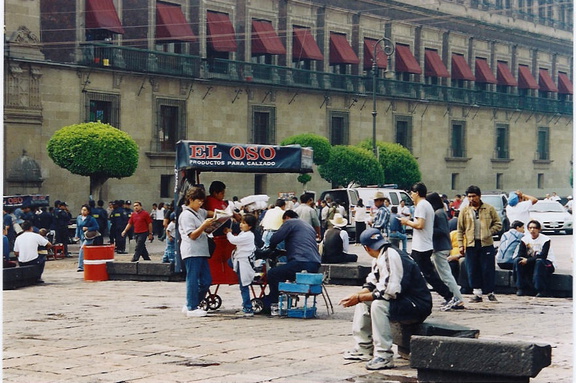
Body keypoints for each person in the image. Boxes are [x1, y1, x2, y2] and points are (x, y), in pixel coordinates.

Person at [340, 228, 432, 370]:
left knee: (378, 305)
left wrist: (358, 297)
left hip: (417, 305)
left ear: (366, 248)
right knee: (364, 302)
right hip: (403, 300)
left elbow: (389, 292)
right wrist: (356, 297)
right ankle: (363, 348)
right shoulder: (380, 256)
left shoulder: (391, 256)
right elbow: (371, 285)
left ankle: (384, 355)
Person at [400, 183, 454, 306]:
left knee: (428, 275)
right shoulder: (427, 205)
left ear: (417, 193)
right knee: (417, 272)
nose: (412, 196)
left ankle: (449, 295)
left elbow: (420, 225)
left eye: (412, 193)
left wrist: (406, 222)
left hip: (421, 247)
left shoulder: (421, 206)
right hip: (423, 245)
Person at [267, 210, 321, 314]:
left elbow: (275, 239)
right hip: (314, 264)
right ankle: (279, 299)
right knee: (284, 272)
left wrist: (271, 248)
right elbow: (301, 246)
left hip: (301, 263)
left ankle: (274, 305)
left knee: (273, 273)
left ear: (287, 217)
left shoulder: (290, 222)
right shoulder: (307, 225)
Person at [457, 185, 502, 303]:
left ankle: (490, 292)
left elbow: (498, 224)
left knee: (487, 268)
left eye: (474, 196)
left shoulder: (489, 209)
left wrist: (489, 232)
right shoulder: (465, 211)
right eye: (469, 197)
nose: (472, 199)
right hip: (471, 244)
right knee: (473, 268)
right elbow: (460, 229)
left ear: (479, 196)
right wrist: (461, 244)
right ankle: (477, 293)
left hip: (486, 243)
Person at [178, 186, 215, 318]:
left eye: (202, 201)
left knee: (206, 280)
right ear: (190, 199)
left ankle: (191, 302)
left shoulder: (199, 212)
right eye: (198, 201)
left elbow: (209, 213)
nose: (200, 204)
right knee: (192, 279)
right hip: (192, 251)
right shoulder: (186, 215)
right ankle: (192, 307)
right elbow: (192, 235)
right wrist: (204, 226)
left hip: (202, 250)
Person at [426, 192, 465, 310]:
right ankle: (455, 298)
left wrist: (429, 229)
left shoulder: (438, 213)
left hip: (440, 247)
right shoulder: (440, 212)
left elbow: (442, 230)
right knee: (445, 275)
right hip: (440, 247)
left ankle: (457, 299)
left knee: (446, 275)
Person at [224, 214, 258, 317]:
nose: (241, 225)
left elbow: (233, 240)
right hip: (240, 260)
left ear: (250, 226)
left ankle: (247, 308)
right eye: (241, 222)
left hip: (244, 262)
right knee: (243, 284)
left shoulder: (248, 235)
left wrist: (228, 233)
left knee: (244, 285)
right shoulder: (244, 233)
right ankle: (246, 306)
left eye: (244, 223)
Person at [514, 220, 555, 297]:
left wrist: (528, 260)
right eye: (530, 228)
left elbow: (543, 255)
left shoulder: (545, 240)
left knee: (539, 262)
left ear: (539, 229)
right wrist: (524, 260)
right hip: (531, 262)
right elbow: (520, 253)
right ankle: (520, 288)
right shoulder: (525, 239)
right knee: (517, 261)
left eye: (535, 228)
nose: (532, 230)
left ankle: (540, 290)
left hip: (545, 263)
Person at [75, 204, 100, 272]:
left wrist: (88, 228)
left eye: (85, 210)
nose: (83, 211)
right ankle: (89, 264)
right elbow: (78, 227)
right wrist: (76, 235)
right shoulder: (79, 218)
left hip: (89, 237)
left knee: (82, 249)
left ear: (88, 211)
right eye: (82, 210)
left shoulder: (91, 219)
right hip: (81, 237)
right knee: (86, 251)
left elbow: (97, 227)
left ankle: (80, 266)